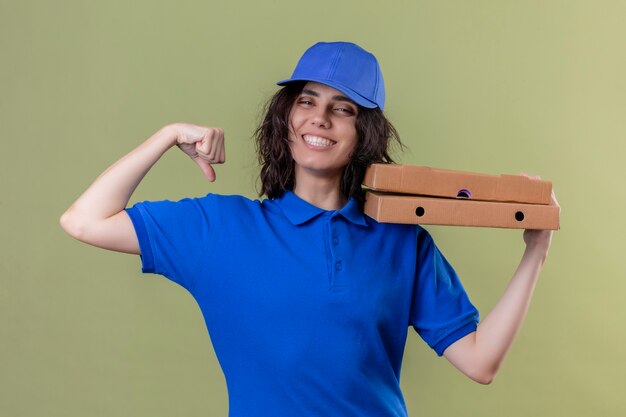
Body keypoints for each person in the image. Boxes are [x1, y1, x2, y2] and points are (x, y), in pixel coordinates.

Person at [60, 41, 555, 416]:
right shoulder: (221, 227)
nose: (319, 119)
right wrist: (166, 135)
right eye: (307, 101)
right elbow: (84, 220)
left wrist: (536, 249)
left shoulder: (402, 241)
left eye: (343, 109)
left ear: (363, 133)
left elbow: (480, 363)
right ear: (286, 118)